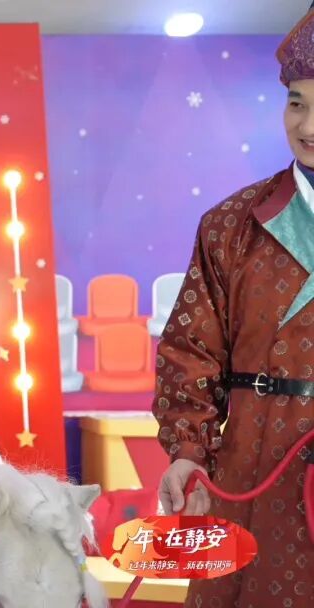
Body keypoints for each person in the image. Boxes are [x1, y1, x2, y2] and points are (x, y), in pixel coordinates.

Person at [154, 7, 314, 607]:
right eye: (296, 103)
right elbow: (189, 349)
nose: (307, 125)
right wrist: (188, 451)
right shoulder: (230, 225)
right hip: (254, 468)